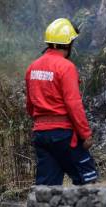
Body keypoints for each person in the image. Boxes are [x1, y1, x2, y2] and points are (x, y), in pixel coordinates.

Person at [25, 18, 97, 185]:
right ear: (68, 43)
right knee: (87, 179)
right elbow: (74, 104)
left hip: (41, 135)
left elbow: (30, 105)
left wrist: (43, 124)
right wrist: (85, 134)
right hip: (64, 135)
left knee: (46, 189)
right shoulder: (66, 67)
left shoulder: (32, 67)